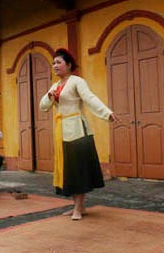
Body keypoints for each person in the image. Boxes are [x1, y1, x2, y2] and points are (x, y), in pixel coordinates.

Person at [39, 48, 119, 220]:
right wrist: (49, 96)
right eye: (53, 63)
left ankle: (78, 207)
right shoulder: (54, 86)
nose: (55, 66)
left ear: (68, 65)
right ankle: (79, 206)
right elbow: (43, 107)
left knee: (78, 168)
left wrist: (106, 113)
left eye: (59, 62)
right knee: (69, 169)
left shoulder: (77, 81)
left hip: (77, 129)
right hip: (61, 130)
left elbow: (90, 98)